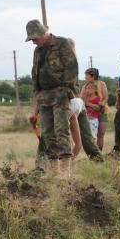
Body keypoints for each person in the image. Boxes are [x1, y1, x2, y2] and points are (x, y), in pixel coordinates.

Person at [26, 19, 79, 178]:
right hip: (43, 97)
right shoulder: (37, 51)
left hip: (60, 94)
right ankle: (53, 171)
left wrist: (65, 90)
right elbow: (35, 75)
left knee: (61, 131)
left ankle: (64, 173)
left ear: (43, 33)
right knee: (47, 133)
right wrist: (36, 104)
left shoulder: (63, 44)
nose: (33, 42)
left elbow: (72, 69)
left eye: (35, 38)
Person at [33, 97, 103, 170]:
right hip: (57, 103)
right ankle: (39, 168)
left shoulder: (72, 116)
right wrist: (35, 113)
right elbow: (40, 96)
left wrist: (66, 163)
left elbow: (78, 145)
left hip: (79, 107)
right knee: (45, 138)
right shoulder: (49, 112)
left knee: (86, 140)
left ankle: (99, 161)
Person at [80, 68, 109, 151]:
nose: (85, 77)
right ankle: (93, 153)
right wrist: (92, 105)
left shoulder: (102, 84)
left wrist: (100, 106)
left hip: (102, 112)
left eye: (87, 75)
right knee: (91, 135)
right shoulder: (84, 87)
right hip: (90, 113)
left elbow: (105, 98)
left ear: (93, 76)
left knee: (101, 133)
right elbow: (81, 101)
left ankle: (99, 153)